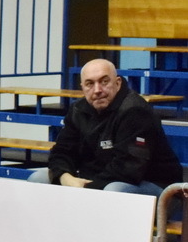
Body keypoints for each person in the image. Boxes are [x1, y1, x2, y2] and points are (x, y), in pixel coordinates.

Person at [28, 58, 182, 195]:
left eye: (104, 82)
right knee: (38, 179)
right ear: (82, 87)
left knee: (113, 191)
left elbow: (129, 168)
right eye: (90, 84)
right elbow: (61, 152)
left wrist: (86, 189)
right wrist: (65, 178)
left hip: (154, 185)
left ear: (117, 83)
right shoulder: (78, 110)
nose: (97, 90)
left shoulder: (135, 111)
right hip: (96, 180)